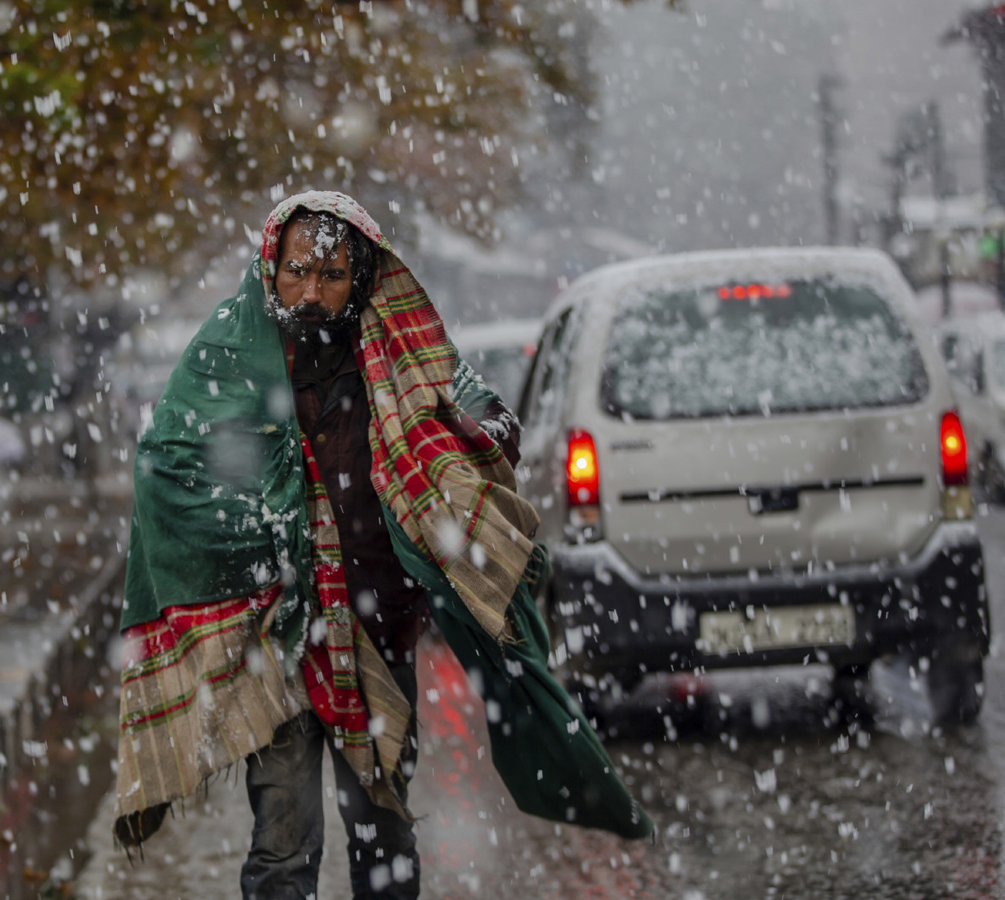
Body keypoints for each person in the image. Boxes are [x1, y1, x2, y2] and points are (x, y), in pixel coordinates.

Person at [113, 192, 653, 898]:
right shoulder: (227, 353)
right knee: (281, 843)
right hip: (273, 644)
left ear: (362, 278)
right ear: (270, 267)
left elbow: (474, 401)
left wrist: (477, 433)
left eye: (332, 275)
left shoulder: (395, 351)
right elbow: (168, 463)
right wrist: (259, 535)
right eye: (298, 271)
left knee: (385, 834)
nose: (312, 291)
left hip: (376, 629)